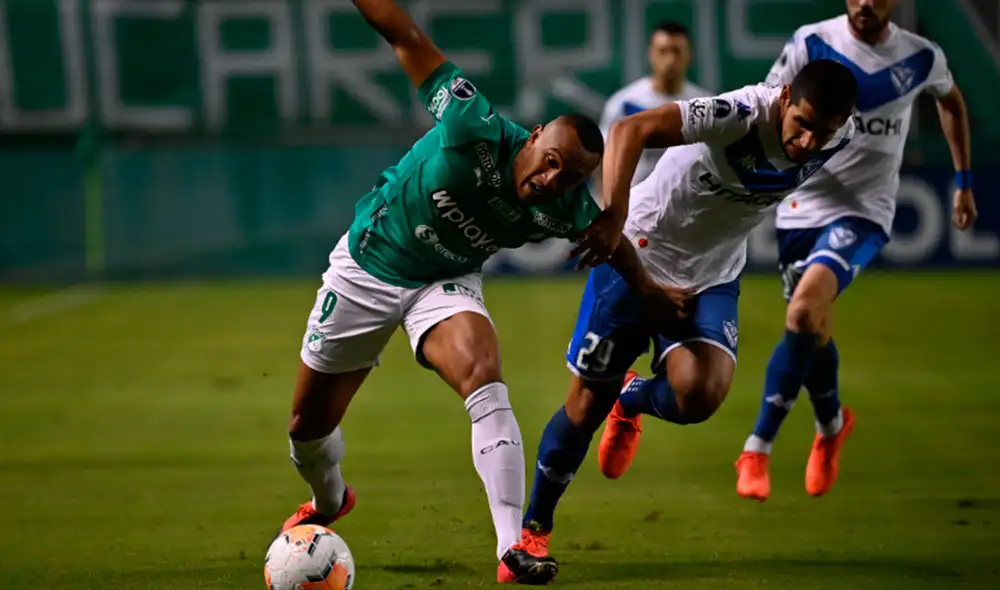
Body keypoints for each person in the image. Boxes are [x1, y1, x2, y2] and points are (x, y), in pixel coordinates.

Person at [276, 0, 685, 585]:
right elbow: (405, 36)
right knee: (305, 426)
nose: (549, 182)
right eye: (549, 163)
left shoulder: (566, 205)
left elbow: (612, 244)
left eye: (567, 178)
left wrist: (650, 291)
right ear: (536, 135)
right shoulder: (473, 124)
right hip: (369, 264)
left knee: (484, 377)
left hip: (444, 282)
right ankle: (330, 499)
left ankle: (511, 547)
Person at [518, 59, 860, 576]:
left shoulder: (842, 133)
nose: (810, 142)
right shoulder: (740, 113)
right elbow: (629, 128)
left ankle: (630, 397)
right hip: (641, 251)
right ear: (785, 98)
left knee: (701, 395)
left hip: (712, 272)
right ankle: (533, 532)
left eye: (824, 132)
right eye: (803, 124)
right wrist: (613, 217)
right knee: (585, 405)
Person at [735, 0, 978, 502]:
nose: (866, 2)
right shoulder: (811, 42)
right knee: (814, 327)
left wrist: (963, 181)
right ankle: (832, 425)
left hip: (865, 212)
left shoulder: (920, 57)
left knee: (802, 314)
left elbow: (951, 102)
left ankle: (758, 445)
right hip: (799, 206)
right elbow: (769, 100)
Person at [596, 21, 710, 192]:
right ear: (651, 54)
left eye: (677, 51)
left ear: (689, 55)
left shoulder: (704, 104)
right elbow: (603, 157)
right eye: (663, 51)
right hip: (635, 204)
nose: (670, 60)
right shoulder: (625, 104)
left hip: (688, 205)